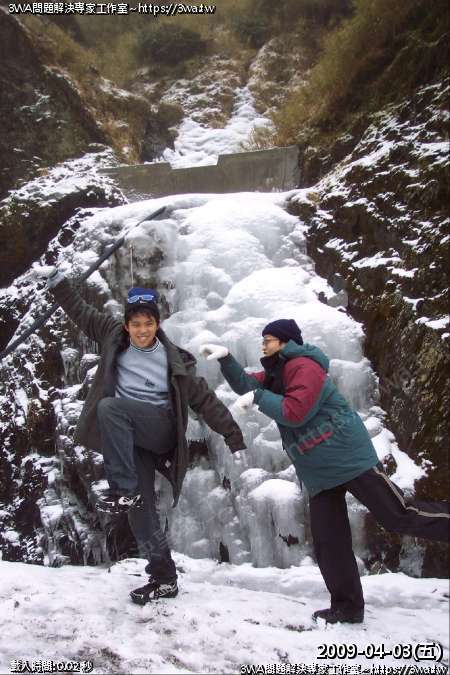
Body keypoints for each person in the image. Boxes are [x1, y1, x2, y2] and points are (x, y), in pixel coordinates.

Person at [199, 319, 449, 624]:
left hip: (349, 458)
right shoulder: (279, 371)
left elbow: (295, 412)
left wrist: (259, 398)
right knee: (330, 541)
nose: (263, 345)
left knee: (397, 515)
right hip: (319, 473)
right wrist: (227, 359)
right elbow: (249, 386)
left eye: (269, 340)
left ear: (286, 342)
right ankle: (347, 607)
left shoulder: (304, 366)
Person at [46, 270, 246, 603]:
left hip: (160, 430)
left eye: (148, 324)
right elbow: (81, 312)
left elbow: (204, 400)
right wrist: (58, 285)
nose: (142, 330)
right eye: (136, 324)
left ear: (157, 324)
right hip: (129, 439)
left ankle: (122, 488)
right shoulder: (111, 335)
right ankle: (164, 577)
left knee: (110, 408)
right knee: (139, 511)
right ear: (126, 325)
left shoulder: (174, 361)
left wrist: (232, 434)